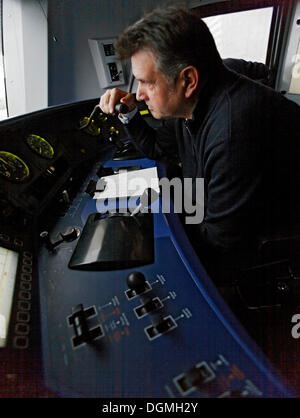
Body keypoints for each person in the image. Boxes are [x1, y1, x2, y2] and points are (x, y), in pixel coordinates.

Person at [99, 6, 300, 284]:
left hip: (271, 229)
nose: (140, 94)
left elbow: (221, 244)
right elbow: (160, 148)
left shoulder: (233, 129)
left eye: (147, 82)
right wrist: (128, 113)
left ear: (188, 80)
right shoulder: (188, 104)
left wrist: (149, 231)